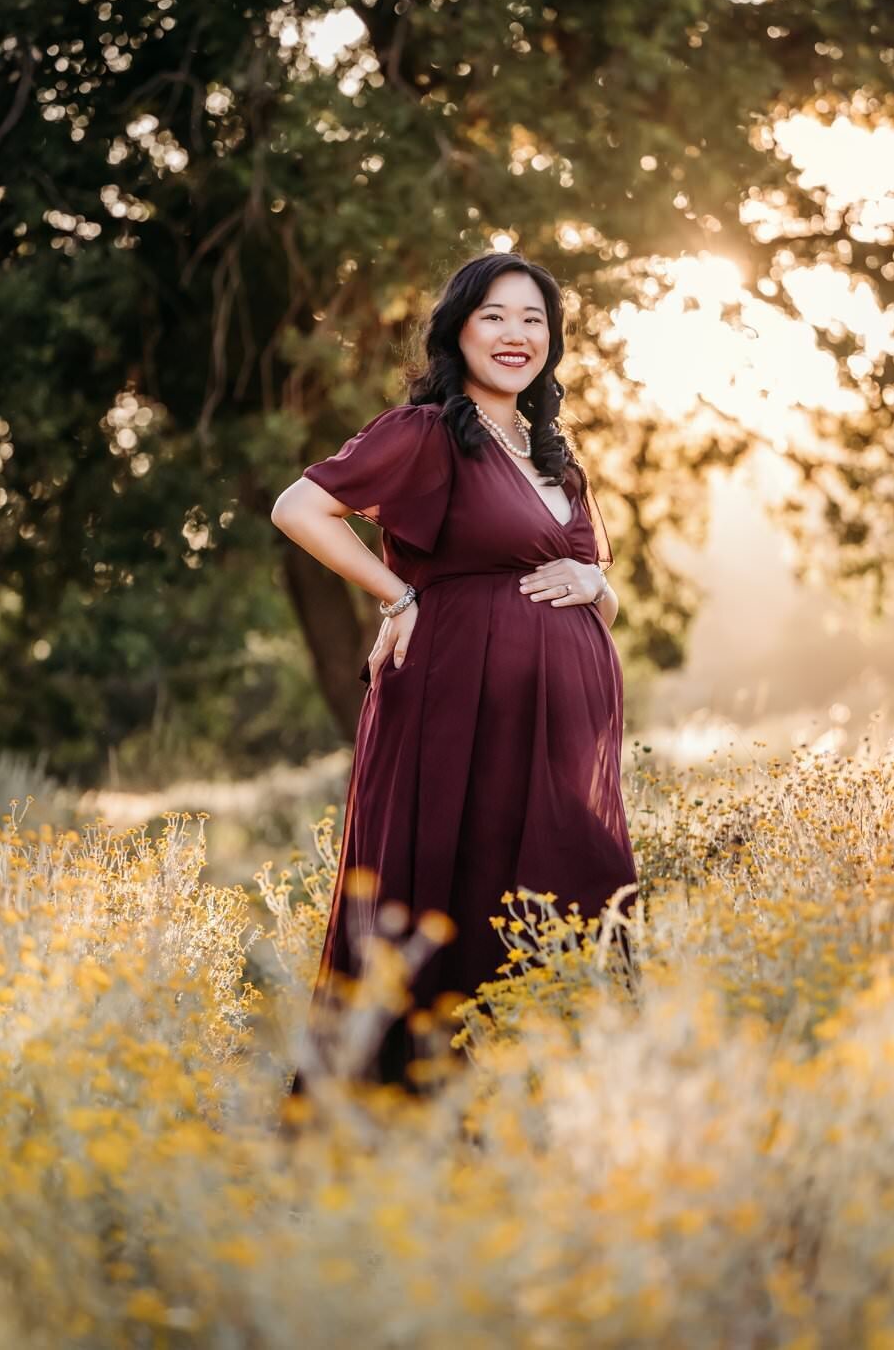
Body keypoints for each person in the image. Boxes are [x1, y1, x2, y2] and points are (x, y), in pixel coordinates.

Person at [271, 252, 638, 1089]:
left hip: (567, 738)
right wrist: (397, 597)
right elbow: (298, 508)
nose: (516, 335)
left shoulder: (558, 456)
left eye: (533, 320)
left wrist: (595, 582)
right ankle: (407, 1116)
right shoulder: (427, 432)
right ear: (457, 330)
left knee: (574, 895)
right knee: (452, 891)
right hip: (457, 711)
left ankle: (562, 1106)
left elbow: (595, 605)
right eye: (495, 317)